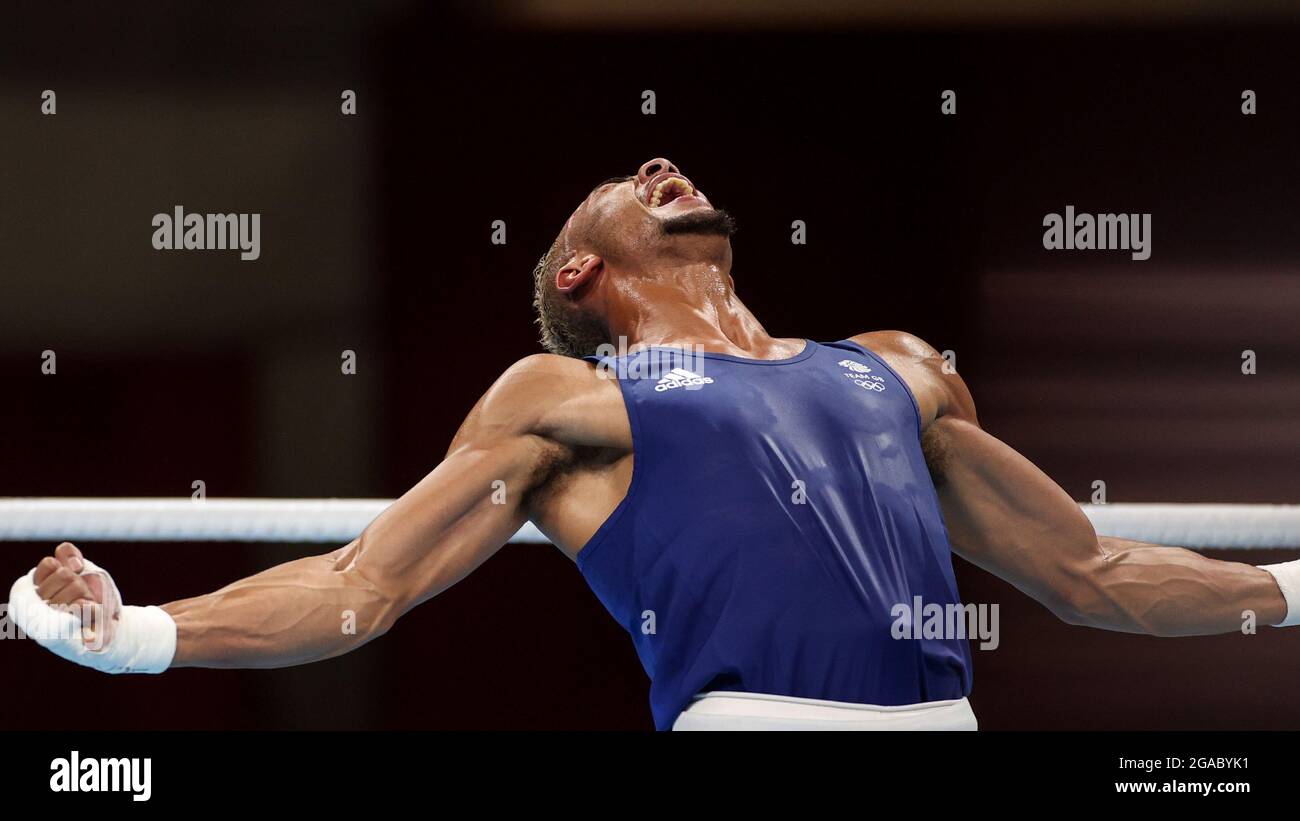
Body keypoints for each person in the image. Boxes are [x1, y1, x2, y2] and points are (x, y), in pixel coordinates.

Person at [12, 157, 1300, 731]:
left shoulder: (899, 370)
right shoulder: (567, 402)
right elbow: (361, 585)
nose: (663, 162)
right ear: (581, 272)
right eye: (626, 182)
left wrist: (1292, 591)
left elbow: (1095, 576)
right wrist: (135, 639)